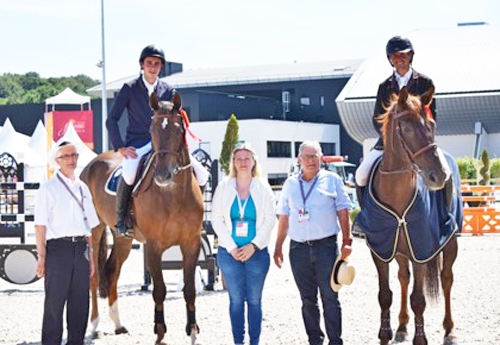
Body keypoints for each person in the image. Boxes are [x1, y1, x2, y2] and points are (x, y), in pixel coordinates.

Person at [106, 44, 208, 237]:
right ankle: (122, 220)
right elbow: (111, 119)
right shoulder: (129, 88)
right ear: (142, 65)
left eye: (156, 64)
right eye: (149, 63)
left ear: (161, 67)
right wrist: (120, 147)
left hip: (165, 145)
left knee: (202, 174)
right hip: (139, 143)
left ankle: (195, 217)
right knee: (128, 174)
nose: (152, 67)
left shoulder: (168, 90)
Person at [274, 141, 353, 345]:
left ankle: (336, 341)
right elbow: (284, 217)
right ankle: (314, 340)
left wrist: (346, 240)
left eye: (315, 156)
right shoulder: (290, 185)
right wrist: (278, 247)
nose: (311, 160)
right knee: (308, 300)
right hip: (298, 249)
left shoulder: (332, 180)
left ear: (321, 157)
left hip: (326, 248)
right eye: (307, 156)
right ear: (299, 160)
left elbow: (343, 211)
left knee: (330, 297)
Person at [355, 35, 445, 192]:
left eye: (403, 54)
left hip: (419, 144)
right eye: (395, 56)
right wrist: (391, 140)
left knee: (446, 173)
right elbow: (378, 117)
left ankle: (445, 214)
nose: (399, 59)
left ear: (410, 56)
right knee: (361, 175)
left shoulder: (425, 83)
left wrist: (422, 138)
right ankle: (365, 215)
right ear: (390, 59)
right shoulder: (384, 87)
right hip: (388, 144)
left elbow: (431, 117)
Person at [34, 141, 100, 345]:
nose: (72, 160)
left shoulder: (83, 188)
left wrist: (91, 257)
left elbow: (89, 225)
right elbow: (40, 225)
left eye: (74, 155)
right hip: (58, 249)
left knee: (80, 303)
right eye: (67, 156)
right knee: (54, 303)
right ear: (57, 160)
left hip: (81, 248)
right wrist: (42, 257)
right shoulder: (47, 188)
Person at [211, 143, 276, 345]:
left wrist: (253, 246)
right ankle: (238, 342)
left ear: (254, 161)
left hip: (257, 255)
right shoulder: (223, 188)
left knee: (255, 301)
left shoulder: (263, 188)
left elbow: (269, 220)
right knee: (236, 301)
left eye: (247, 158)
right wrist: (231, 247)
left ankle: (254, 342)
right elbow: (216, 219)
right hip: (229, 255)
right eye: (238, 159)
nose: (243, 163)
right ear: (233, 163)